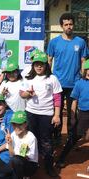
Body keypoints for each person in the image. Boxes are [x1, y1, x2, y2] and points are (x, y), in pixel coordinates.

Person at [47, 13, 88, 144]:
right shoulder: (54, 42)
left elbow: (83, 62)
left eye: (71, 24)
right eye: (66, 24)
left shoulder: (80, 42)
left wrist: (83, 78)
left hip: (74, 84)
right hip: (57, 84)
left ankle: (71, 137)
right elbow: (49, 61)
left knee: (72, 114)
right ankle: (57, 136)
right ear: (61, 26)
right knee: (56, 113)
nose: (69, 27)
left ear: (73, 25)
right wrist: (48, 78)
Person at [20, 51, 62, 177]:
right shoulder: (28, 78)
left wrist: (56, 115)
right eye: (36, 64)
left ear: (46, 65)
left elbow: (57, 98)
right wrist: (27, 94)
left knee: (46, 141)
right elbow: (22, 94)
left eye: (41, 64)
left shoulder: (52, 78)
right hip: (31, 113)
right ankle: (26, 164)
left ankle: (49, 166)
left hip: (46, 114)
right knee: (28, 138)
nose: (39, 67)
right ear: (33, 65)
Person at [56, 59, 89, 168]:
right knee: (75, 136)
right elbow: (74, 100)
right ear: (85, 71)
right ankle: (61, 158)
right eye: (88, 69)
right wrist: (73, 116)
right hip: (84, 114)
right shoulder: (80, 83)